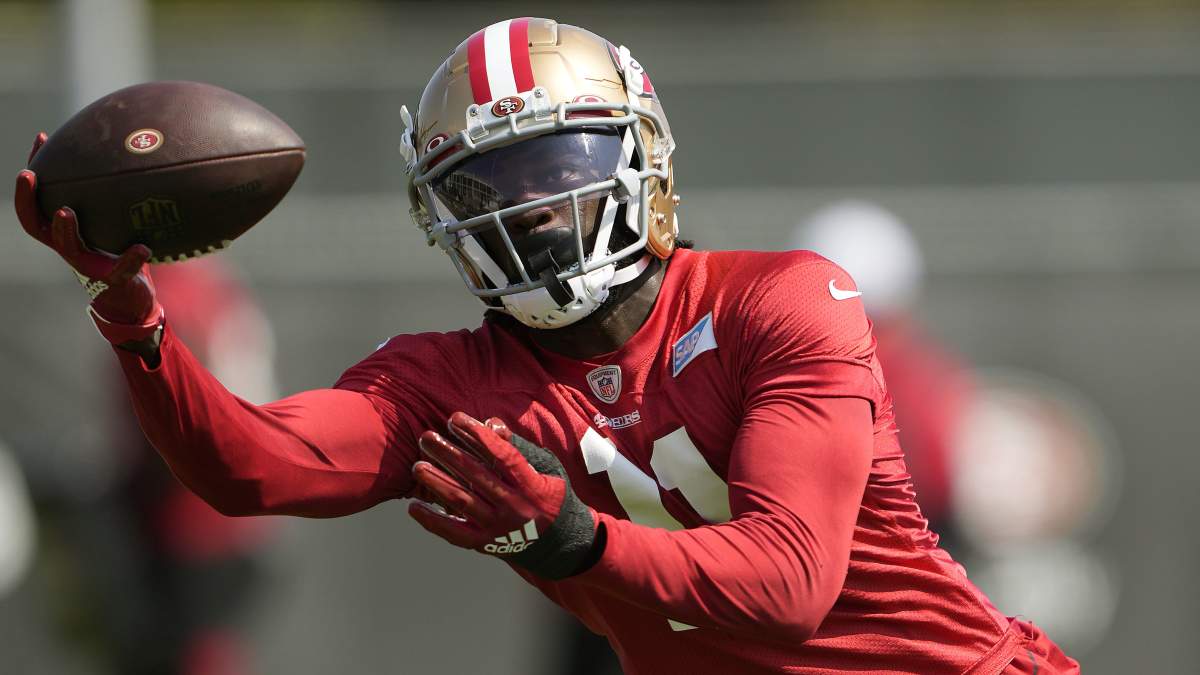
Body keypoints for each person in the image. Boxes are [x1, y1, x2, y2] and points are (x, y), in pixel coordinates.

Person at [13, 17, 1079, 675]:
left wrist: (580, 542)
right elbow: (253, 466)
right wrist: (133, 320)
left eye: (555, 165)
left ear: (640, 157)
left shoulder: (781, 300)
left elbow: (791, 581)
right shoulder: (449, 380)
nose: (525, 207)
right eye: (485, 185)